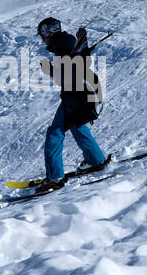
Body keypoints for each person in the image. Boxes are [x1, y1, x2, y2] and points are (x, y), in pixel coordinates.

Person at [36, 17, 109, 189]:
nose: (42, 38)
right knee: (77, 125)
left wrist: (49, 70)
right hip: (83, 93)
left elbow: (69, 75)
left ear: (49, 32)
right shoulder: (67, 44)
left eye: (42, 34)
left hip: (78, 96)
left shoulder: (63, 47)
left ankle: (55, 178)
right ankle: (96, 160)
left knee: (55, 132)